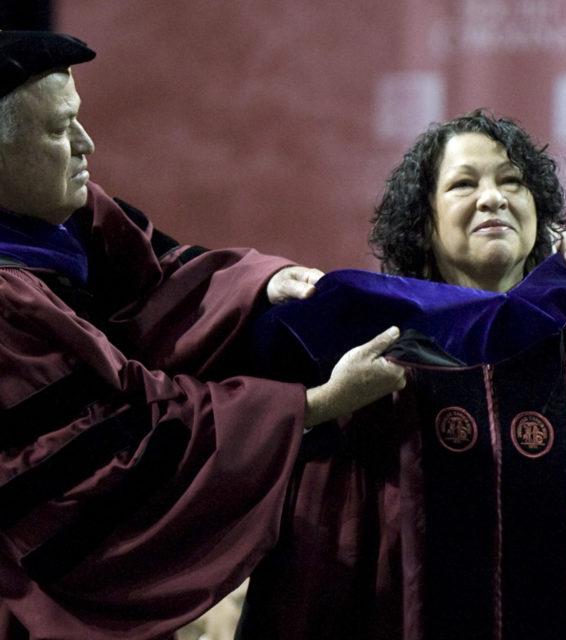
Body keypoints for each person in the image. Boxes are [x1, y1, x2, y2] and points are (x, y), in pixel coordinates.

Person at [235, 110, 566, 640]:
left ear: (542, 218)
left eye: (513, 183)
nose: (493, 198)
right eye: (464, 183)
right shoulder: (369, 344)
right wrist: (323, 405)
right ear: (424, 222)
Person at [0, 30, 408, 639]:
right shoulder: (7, 304)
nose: (87, 145)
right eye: (59, 133)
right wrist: (311, 408)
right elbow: (111, 453)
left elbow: (158, 284)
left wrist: (261, 283)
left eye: (77, 120)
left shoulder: (69, 220)